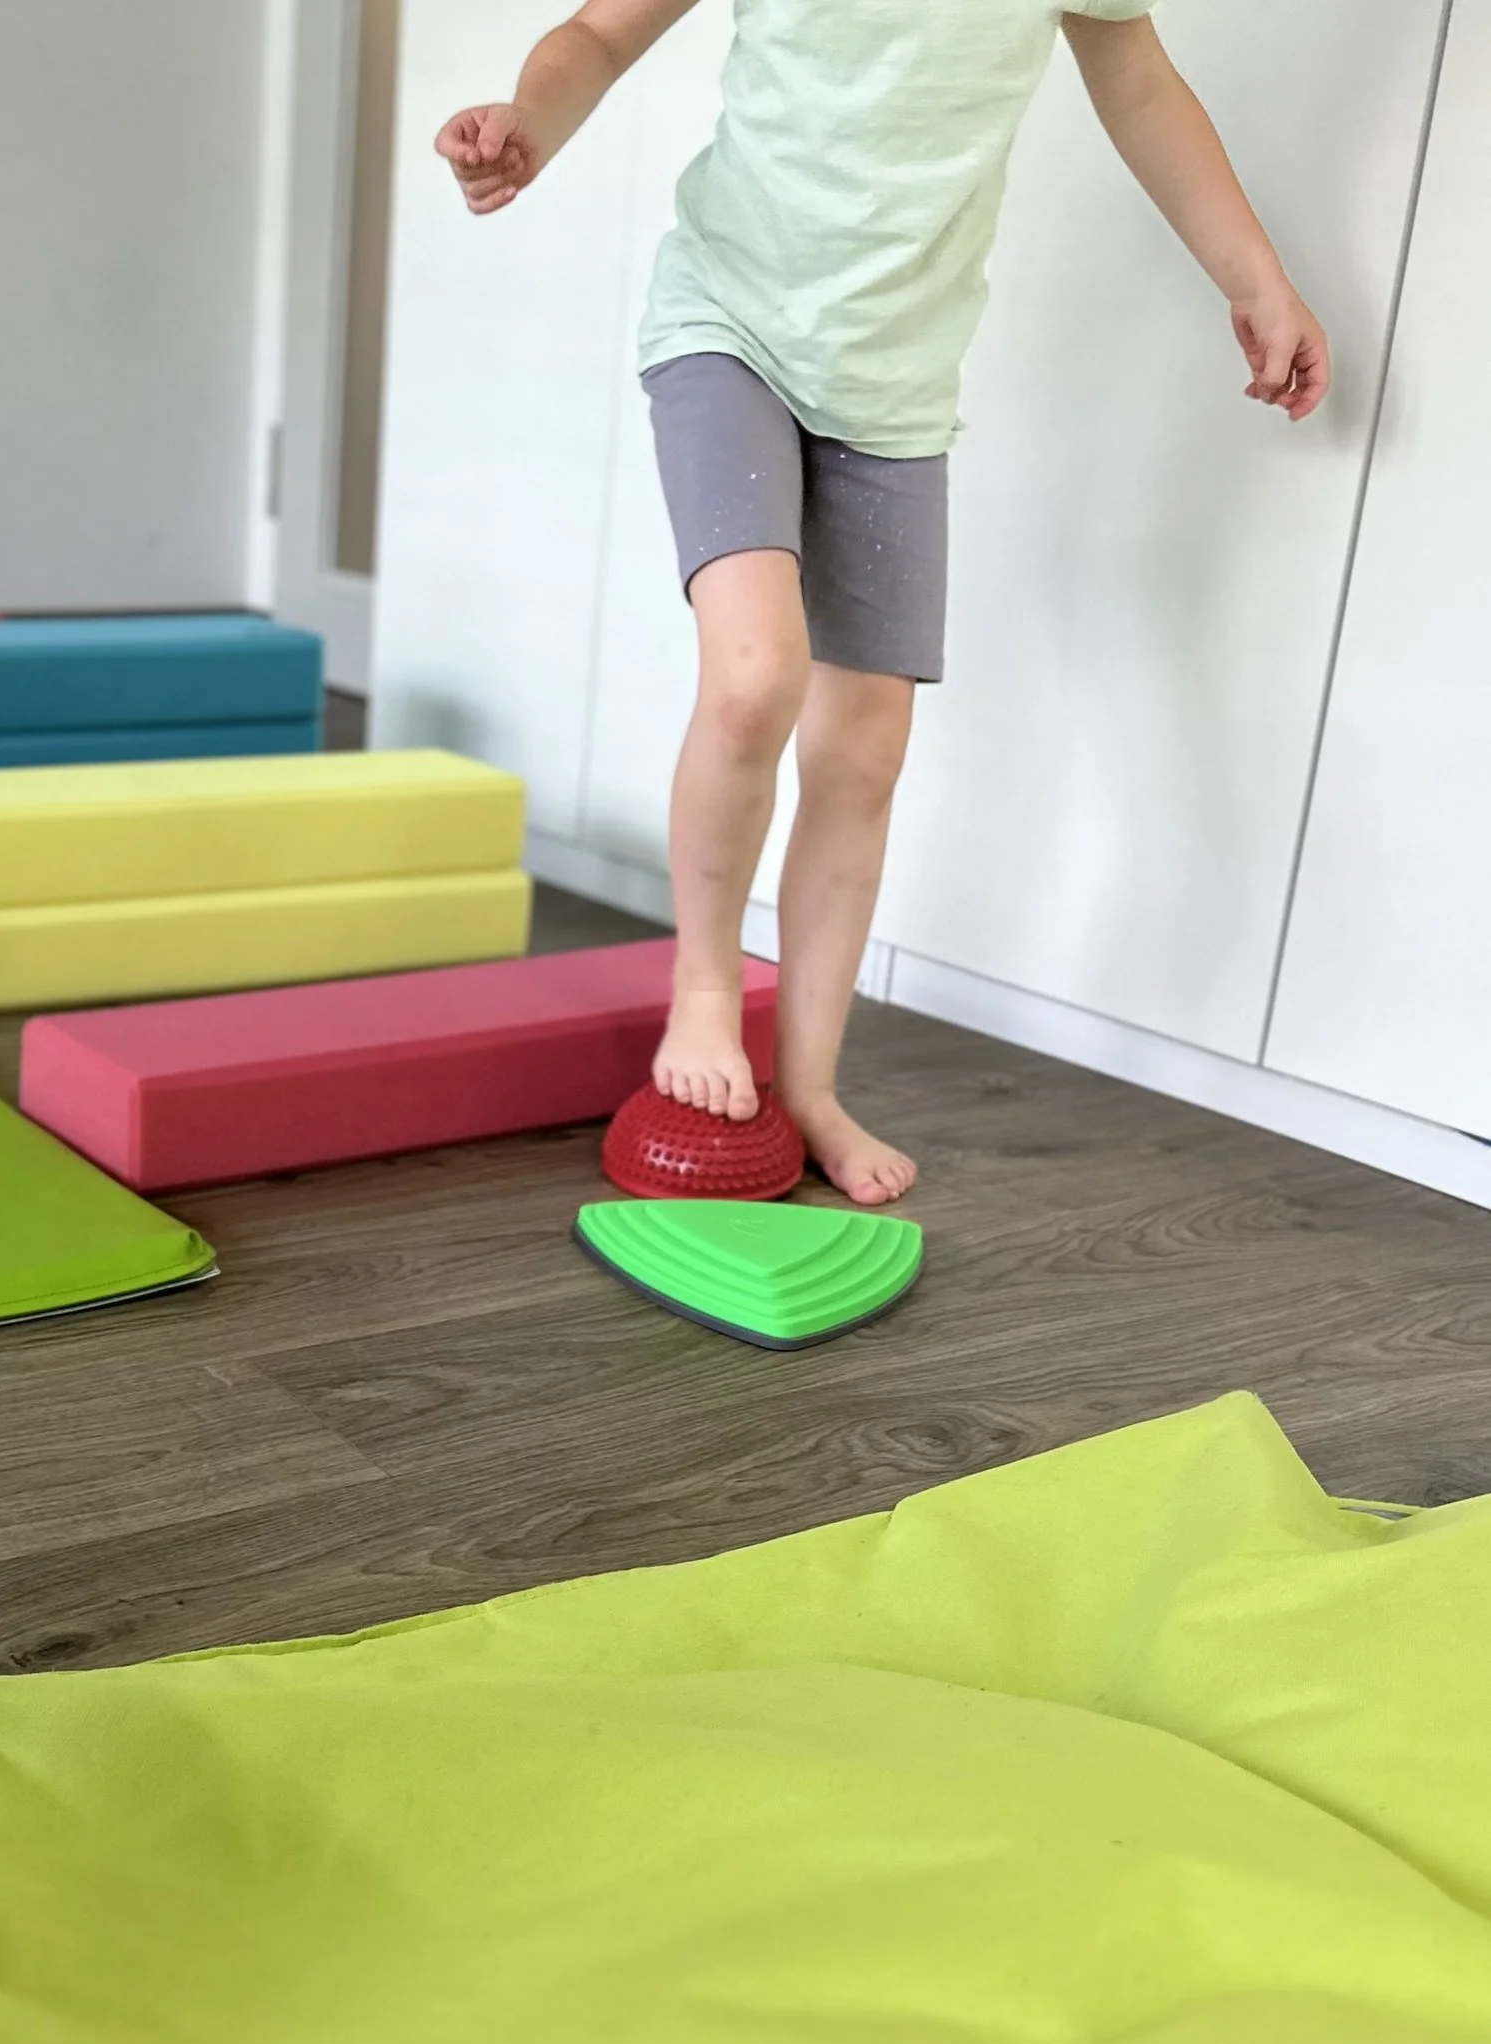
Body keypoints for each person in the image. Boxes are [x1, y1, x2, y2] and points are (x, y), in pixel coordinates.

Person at [437, 2, 1329, 1203]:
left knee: (863, 749)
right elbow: (599, 35)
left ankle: (809, 1084)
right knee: (755, 675)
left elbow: (1139, 87)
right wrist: (528, 121)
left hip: (895, 389)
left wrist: (1257, 279)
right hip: (727, 328)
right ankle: (704, 991)